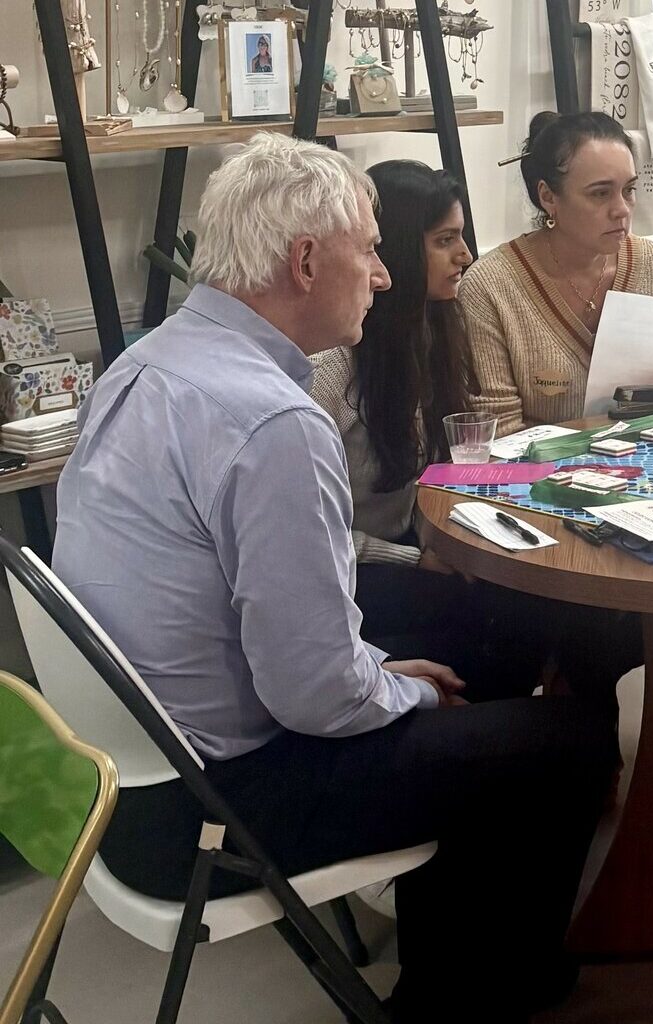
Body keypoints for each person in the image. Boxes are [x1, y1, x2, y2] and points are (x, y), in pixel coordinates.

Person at [51, 134, 613, 1023]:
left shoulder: (147, 361)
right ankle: (462, 997)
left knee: (486, 625)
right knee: (572, 737)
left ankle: (458, 926)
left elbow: (281, 613)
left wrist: (385, 675)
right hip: (216, 800)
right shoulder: (273, 420)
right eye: (369, 251)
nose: (383, 277)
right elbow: (313, 696)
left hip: (119, 772)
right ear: (306, 261)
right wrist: (407, 695)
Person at [310, 158, 640, 702]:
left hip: (422, 539)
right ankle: (526, 739)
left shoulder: (436, 330)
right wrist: (416, 557)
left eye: (461, 236)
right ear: (390, 250)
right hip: (354, 568)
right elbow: (313, 538)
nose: (465, 255)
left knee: (566, 606)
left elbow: (449, 461)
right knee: (518, 608)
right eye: (445, 240)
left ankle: (572, 747)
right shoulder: (334, 366)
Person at [461, 111, 653, 437]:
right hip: (541, 482)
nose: (622, 209)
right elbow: (497, 435)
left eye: (629, 190)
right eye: (600, 193)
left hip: (651, 468)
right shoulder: (490, 286)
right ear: (548, 197)